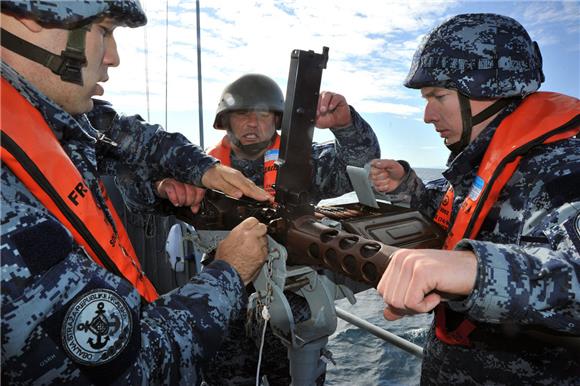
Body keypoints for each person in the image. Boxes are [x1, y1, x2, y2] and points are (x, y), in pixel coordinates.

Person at [0, 1, 274, 384]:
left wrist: (199, 169)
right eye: (105, 31)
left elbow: (122, 134)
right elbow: (135, 369)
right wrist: (229, 271)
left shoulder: (38, 112)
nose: (113, 58)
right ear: (33, 18)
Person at [369, 13, 579, 384]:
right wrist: (409, 187)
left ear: (488, 89)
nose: (427, 115)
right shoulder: (482, 160)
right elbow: (458, 209)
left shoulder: (564, 166)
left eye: (438, 96)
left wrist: (475, 270)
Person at [202, 73, 381, 384]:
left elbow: (359, 164)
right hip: (226, 301)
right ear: (226, 120)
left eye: (263, 114)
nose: (253, 124)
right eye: (243, 114)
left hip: (294, 304)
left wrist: (345, 125)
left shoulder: (300, 163)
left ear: (277, 120)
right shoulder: (201, 169)